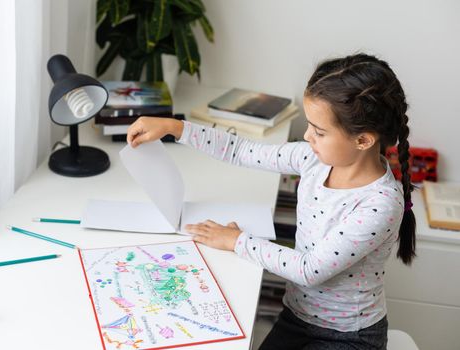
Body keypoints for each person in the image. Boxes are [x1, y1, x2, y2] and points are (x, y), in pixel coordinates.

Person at [126, 53, 416, 350]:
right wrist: (176, 128)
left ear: (363, 140)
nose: (307, 136)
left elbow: (309, 270)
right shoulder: (313, 160)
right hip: (297, 317)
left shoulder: (380, 204)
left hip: (348, 337)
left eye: (319, 131)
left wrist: (236, 240)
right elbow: (242, 150)